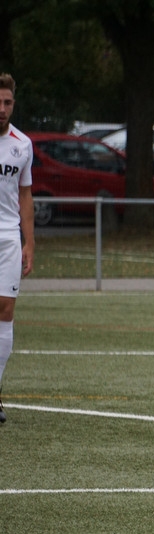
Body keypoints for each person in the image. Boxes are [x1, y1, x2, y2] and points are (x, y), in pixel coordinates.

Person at [0, 73, 34, 425]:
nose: (2, 108)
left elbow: (25, 195)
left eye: (7, 102)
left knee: (5, 310)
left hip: (9, 237)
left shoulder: (22, 144)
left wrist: (30, 242)